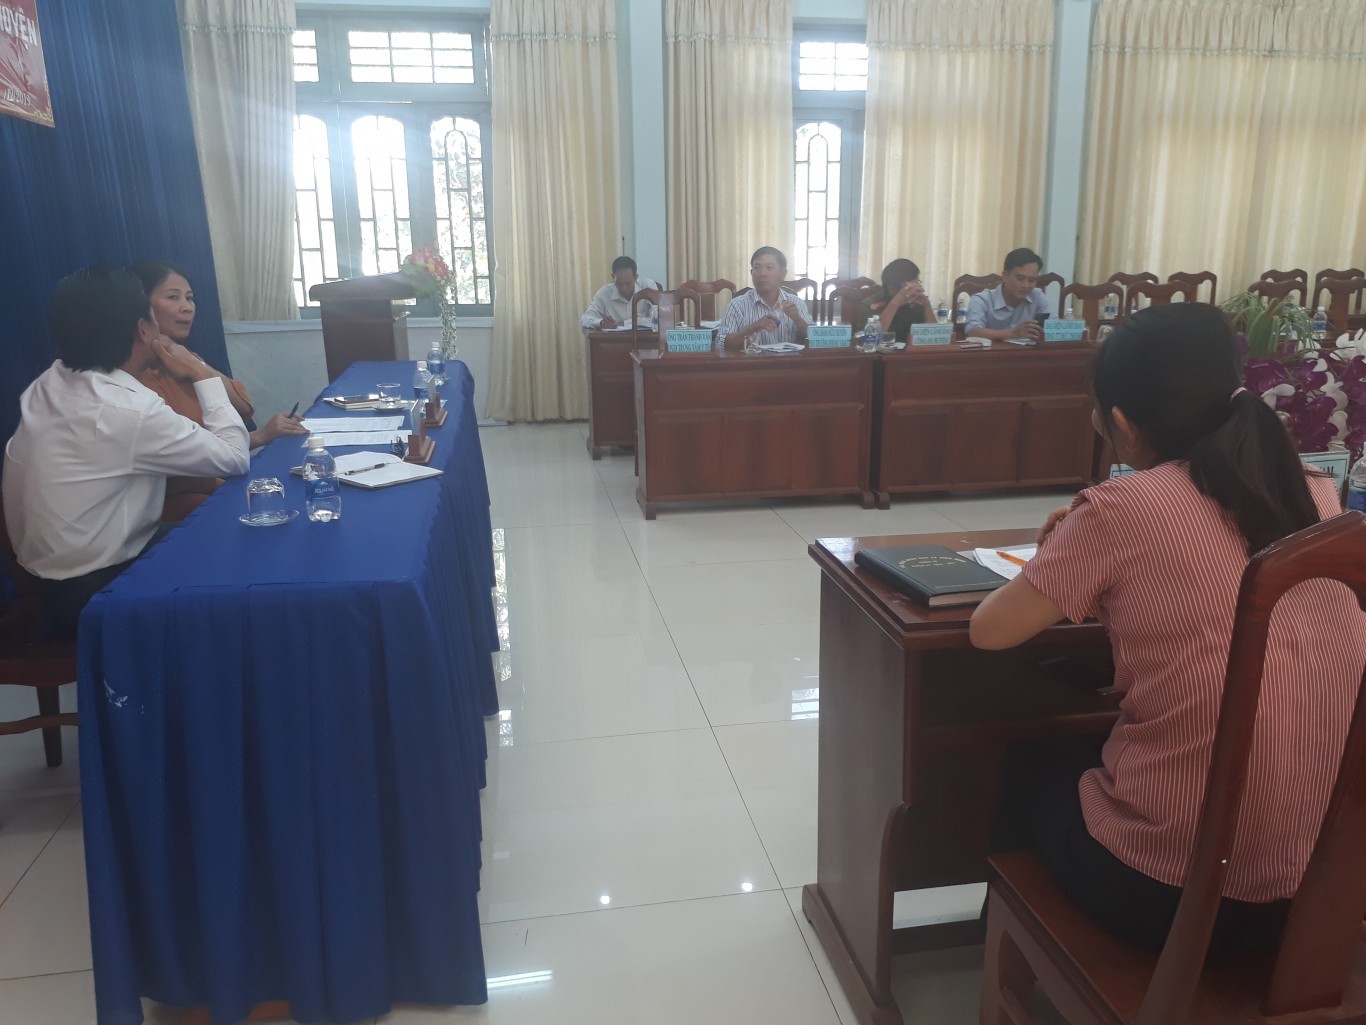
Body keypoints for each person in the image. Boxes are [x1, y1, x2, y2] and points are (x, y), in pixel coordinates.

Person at [969, 303, 1365, 953]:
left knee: (1033, 762)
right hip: (1324, 895)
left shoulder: (1121, 508)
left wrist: (1069, 548)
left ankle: (1010, 959)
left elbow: (991, 630)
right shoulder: (1317, 490)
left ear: (1122, 425)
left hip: (1180, 900)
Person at [3, 266, 251, 636]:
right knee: (246, 540)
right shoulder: (128, 409)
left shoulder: (51, 381)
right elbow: (234, 458)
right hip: (96, 590)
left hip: (49, 579)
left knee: (215, 525)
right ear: (143, 329)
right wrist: (199, 372)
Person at [133, 261, 306, 449]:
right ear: (143, 306)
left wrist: (195, 366)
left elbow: (243, 407)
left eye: (189, 298)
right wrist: (261, 436)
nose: (187, 307)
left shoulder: (185, 356)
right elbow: (186, 452)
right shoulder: (139, 375)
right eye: (173, 297)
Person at [715, 247, 812, 349]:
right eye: (757, 268)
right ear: (751, 273)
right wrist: (752, 328)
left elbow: (816, 338)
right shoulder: (737, 305)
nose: (762, 274)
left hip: (789, 359)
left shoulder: (797, 303)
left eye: (769, 268)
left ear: (783, 273)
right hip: (751, 359)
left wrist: (798, 320)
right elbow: (722, 344)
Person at [964, 247, 1052, 342]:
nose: (1026, 285)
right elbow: (972, 331)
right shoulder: (982, 300)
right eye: (1020, 278)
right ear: (1005, 276)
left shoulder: (1037, 296)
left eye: (1031, 280)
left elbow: (1055, 326)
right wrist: (1013, 334)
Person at [858, 259, 936, 343]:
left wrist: (927, 305)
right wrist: (896, 303)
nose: (916, 290)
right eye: (909, 288)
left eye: (918, 284)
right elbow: (870, 340)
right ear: (891, 289)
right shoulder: (870, 304)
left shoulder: (918, 302)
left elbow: (935, 338)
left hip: (911, 350)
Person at [579, 256, 661, 330]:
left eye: (628, 284)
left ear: (636, 278)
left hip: (644, 339)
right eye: (619, 284)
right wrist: (601, 323)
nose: (624, 289)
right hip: (614, 340)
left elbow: (659, 318)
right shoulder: (604, 293)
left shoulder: (647, 287)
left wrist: (624, 323)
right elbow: (585, 319)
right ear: (613, 277)